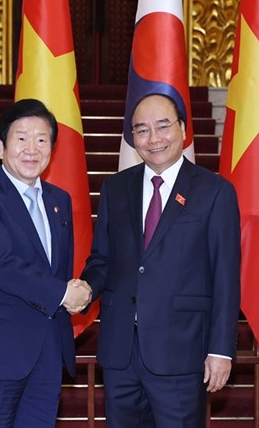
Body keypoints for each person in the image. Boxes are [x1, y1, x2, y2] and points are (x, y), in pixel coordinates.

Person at [81, 93, 241, 427]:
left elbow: (225, 276)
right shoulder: (115, 188)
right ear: (133, 138)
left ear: (182, 129)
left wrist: (221, 349)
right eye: (142, 130)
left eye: (163, 126)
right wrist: (85, 288)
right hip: (121, 352)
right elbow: (103, 259)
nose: (153, 138)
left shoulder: (214, 191)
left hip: (182, 351)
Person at [0, 98, 92, 428]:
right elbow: (2, 265)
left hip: (46, 354)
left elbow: (58, 268)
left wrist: (76, 292)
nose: (32, 148)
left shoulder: (60, 200)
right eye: (22, 137)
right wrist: (62, 293)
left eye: (42, 139)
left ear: (52, 149)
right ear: (1, 147)